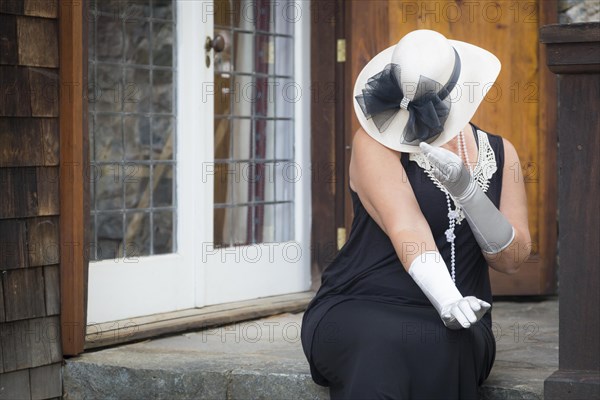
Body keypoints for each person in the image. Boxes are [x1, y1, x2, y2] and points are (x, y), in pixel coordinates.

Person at [300, 29, 532, 399]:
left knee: (442, 345)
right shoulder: (373, 143)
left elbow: (513, 259)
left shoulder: (502, 153)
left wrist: (470, 194)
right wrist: (447, 298)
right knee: (384, 345)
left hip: (462, 318)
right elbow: (406, 226)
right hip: (363, 302)